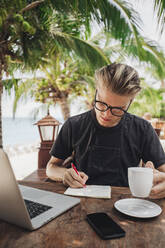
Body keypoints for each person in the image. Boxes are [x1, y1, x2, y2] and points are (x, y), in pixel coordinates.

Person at [46, 63, 165, 199]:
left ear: (130, 102)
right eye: (102, 103)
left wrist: (160, 182)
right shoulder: (74, 125)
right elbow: (51, 167)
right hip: (81, 200)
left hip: (127, 205)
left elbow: (163, 173)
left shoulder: (143, 129)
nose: (107, 114)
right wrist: (64, 174)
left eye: (117, 109)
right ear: (96, 91)